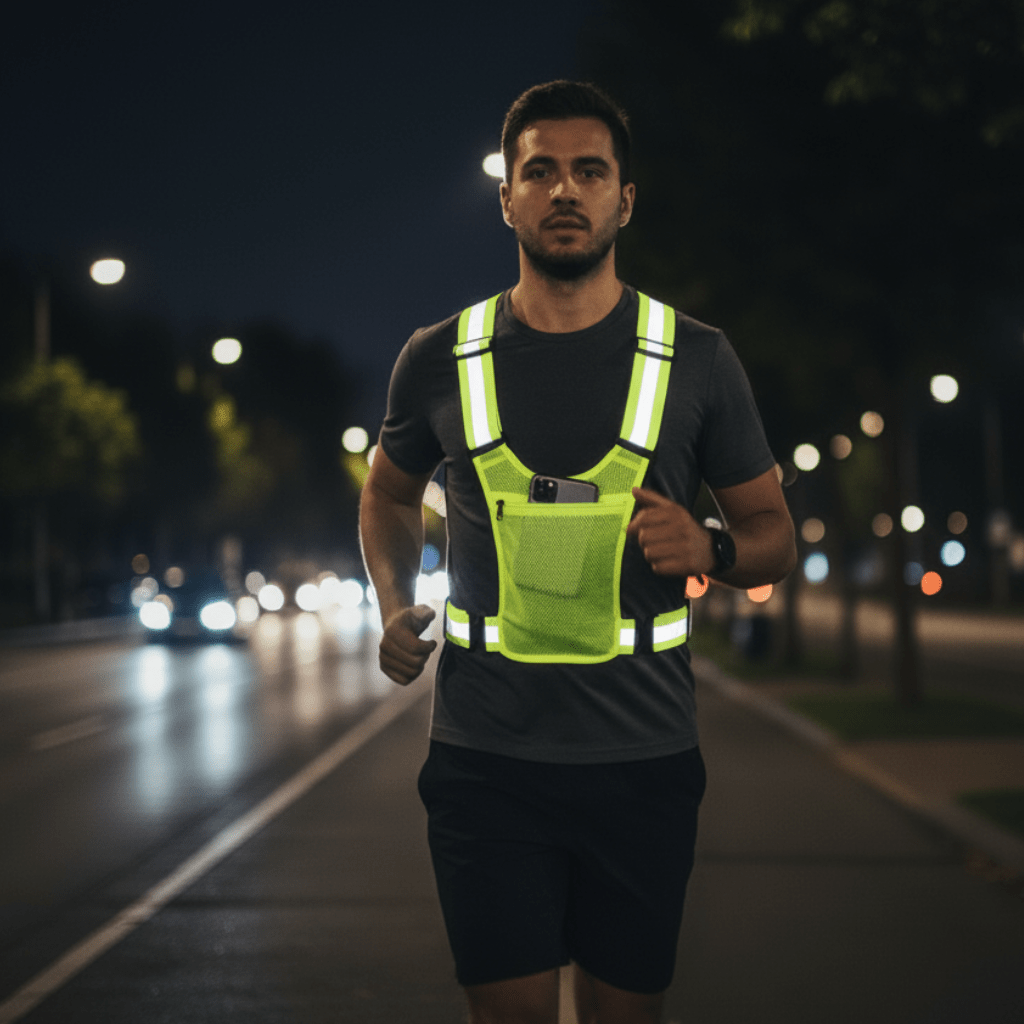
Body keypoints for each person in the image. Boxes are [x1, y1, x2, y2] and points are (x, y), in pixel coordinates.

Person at [360, 80, 797, 1024]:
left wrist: (710, 546)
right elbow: (389, 493)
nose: (565, 191)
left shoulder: (699, 359)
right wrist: (391, 597)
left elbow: (774, 537)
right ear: (508, 196)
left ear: (624, 200)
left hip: (643, 763)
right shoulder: (439, 357)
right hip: (485, 765)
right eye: (541, 171)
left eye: (589, 172)